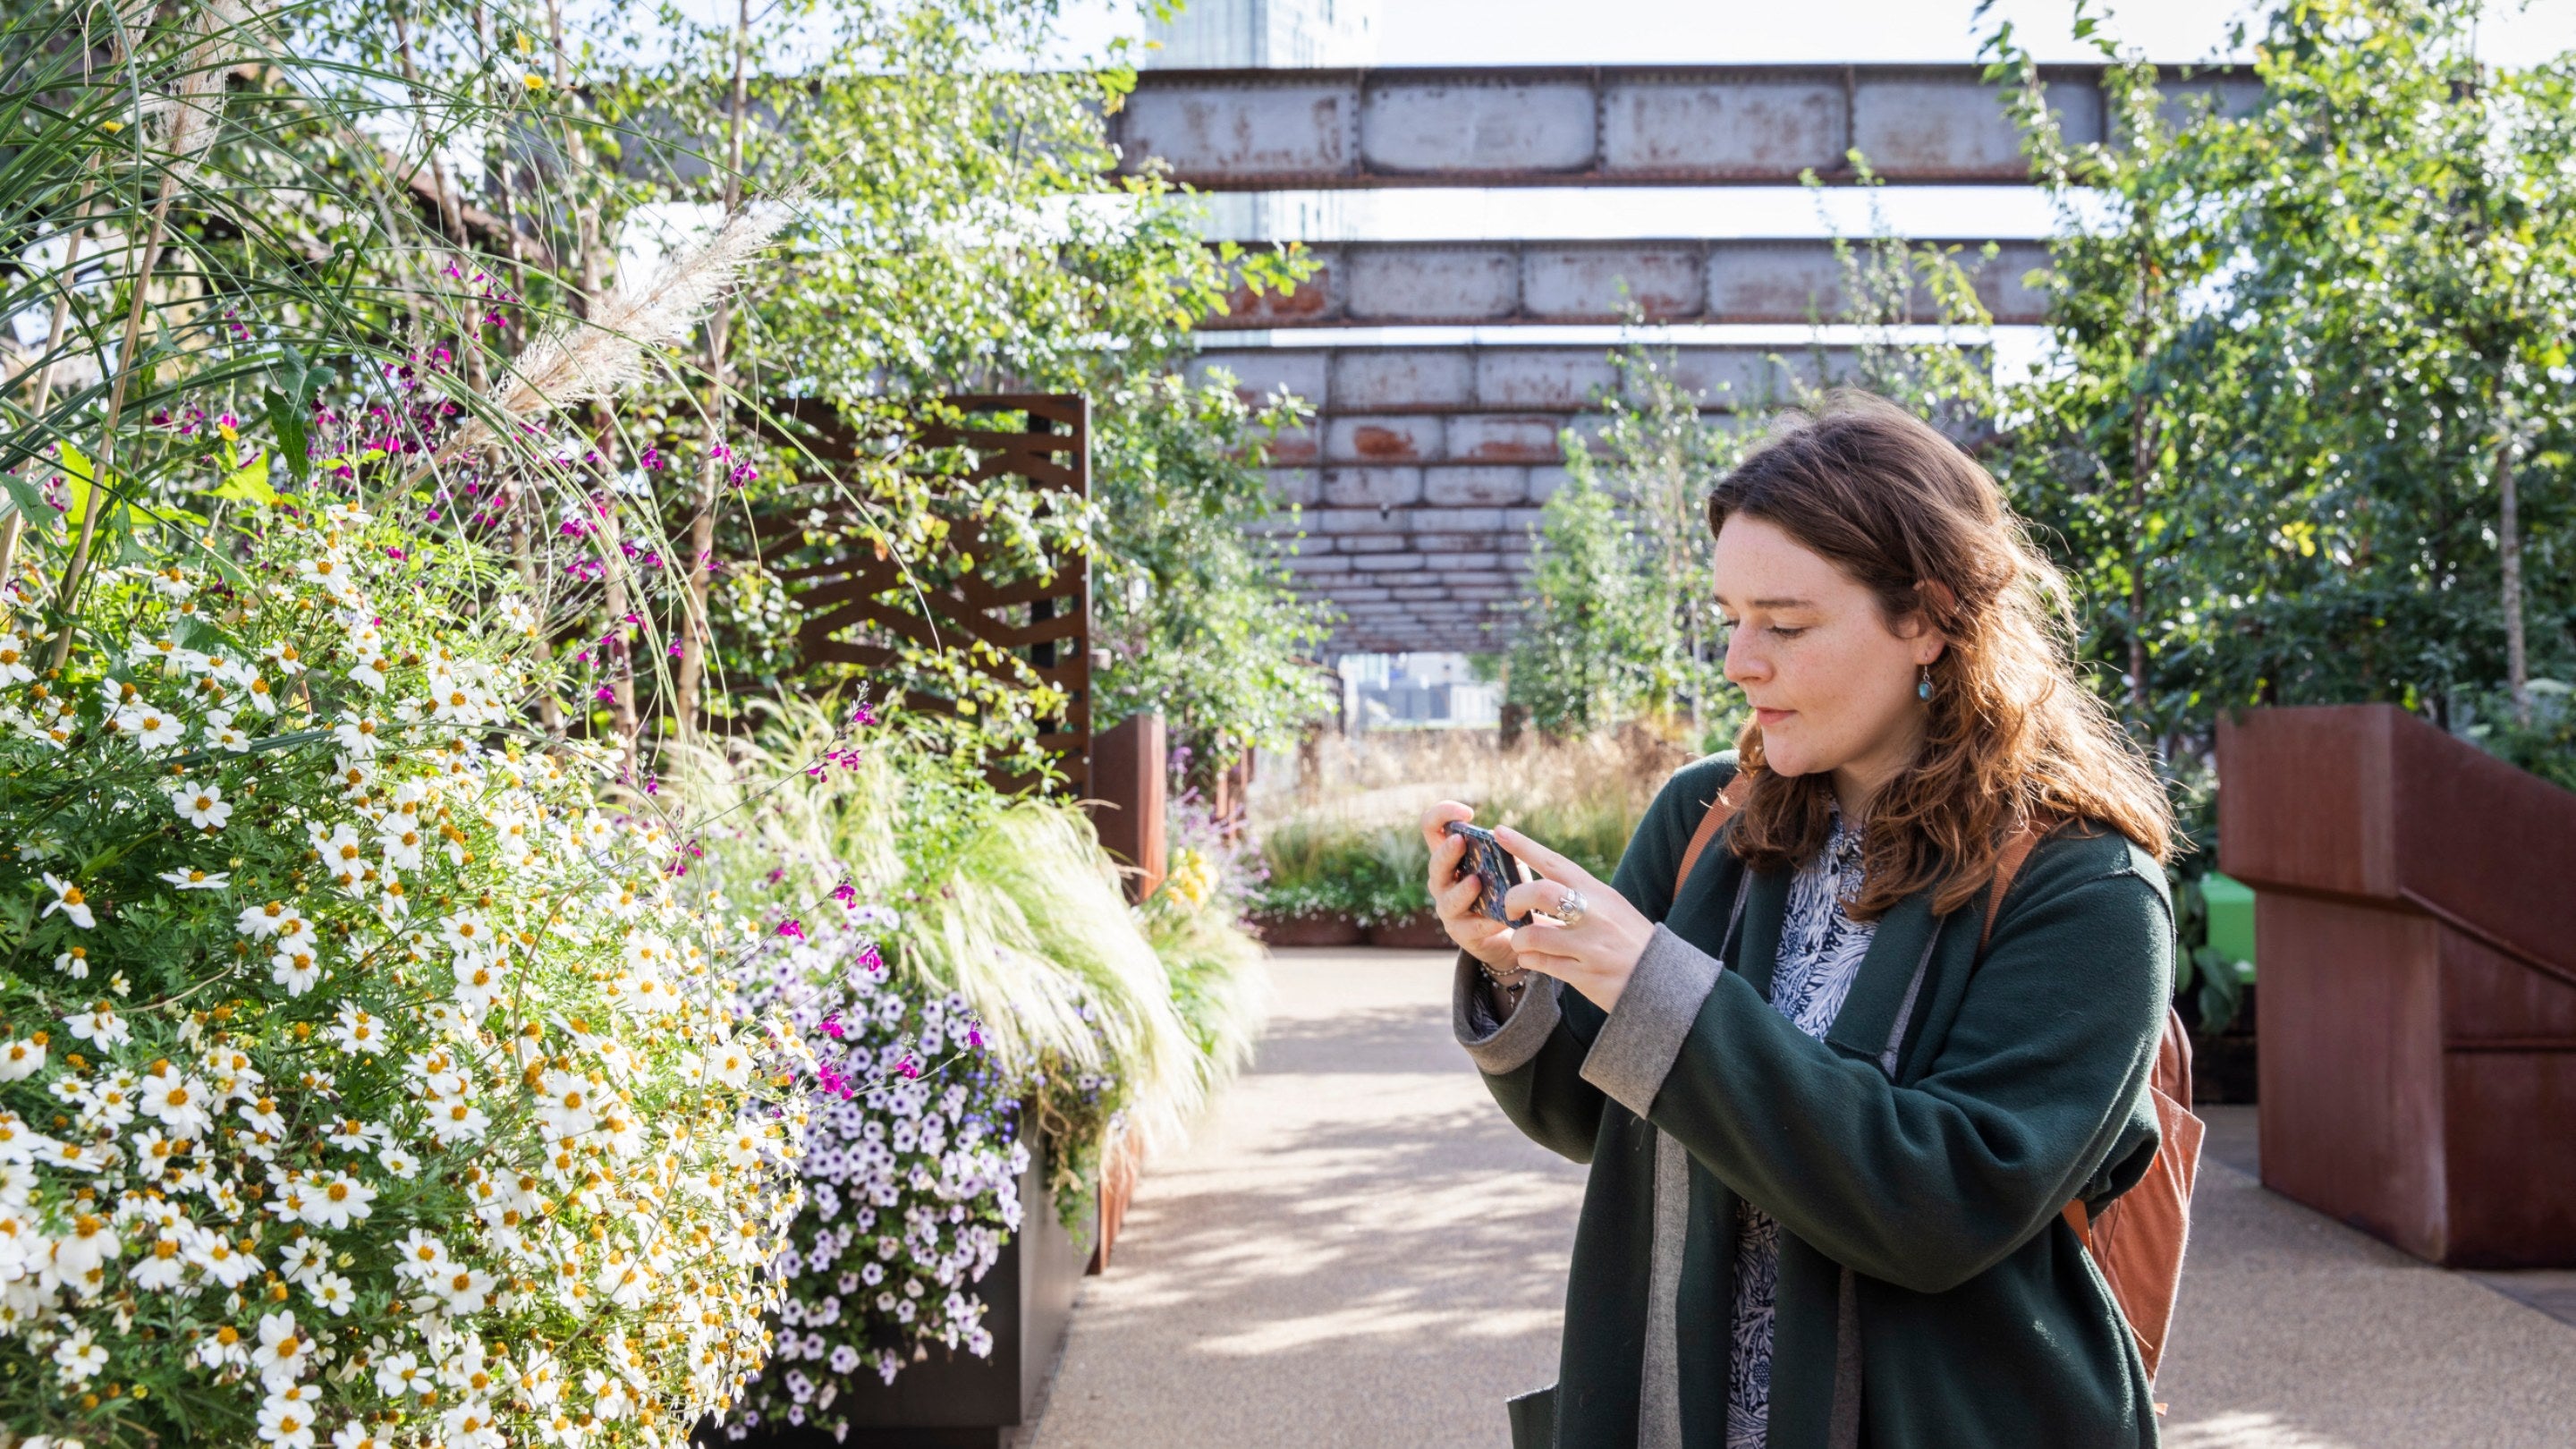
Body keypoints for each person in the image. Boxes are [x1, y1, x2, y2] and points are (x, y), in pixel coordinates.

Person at [1421, 392, 2178, 1449]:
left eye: (1784, 625)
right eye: (1731, 620)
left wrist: (1658, 990)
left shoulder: (2085, 886)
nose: (1739, 663)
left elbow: (1942, 1204)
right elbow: (1593, 1116)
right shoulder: (1705, 817)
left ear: (1927, 615)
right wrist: (1520, 970)